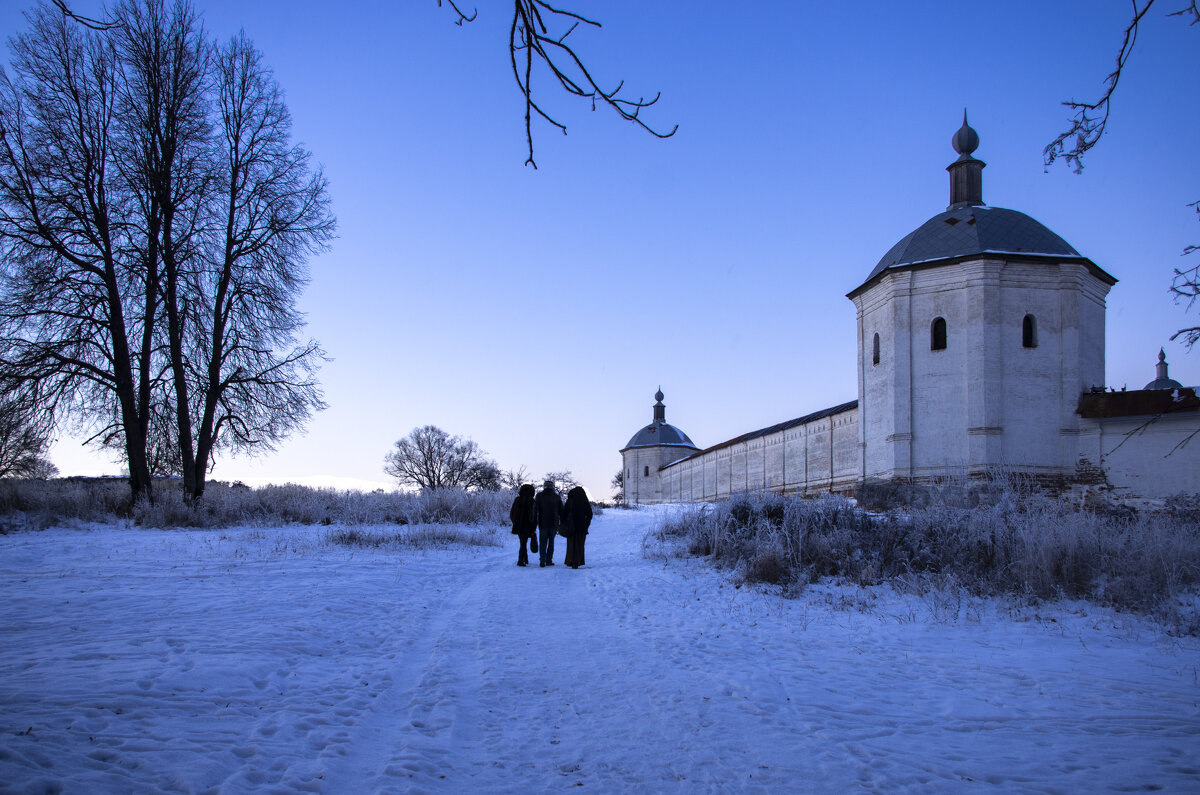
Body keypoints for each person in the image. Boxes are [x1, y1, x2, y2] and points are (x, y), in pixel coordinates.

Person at [560, 485, 593, 569]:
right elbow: (589, 514)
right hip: (581, 527)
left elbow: (564, 514)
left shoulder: (570, 500)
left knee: (571, 544)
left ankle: (570, 561)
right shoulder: (584, 501)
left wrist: (564, 523)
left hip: (571, 526)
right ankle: (577, 561)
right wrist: (586, 524)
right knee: (580, 545)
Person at [534, 480, 562, 567]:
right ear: (552, 487)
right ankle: (549, 560)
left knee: (542, 542)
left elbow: (535, 510)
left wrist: (535, 521)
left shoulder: (539, 496)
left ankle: (542, 559)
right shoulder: (557, 497)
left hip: (543, 523)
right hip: (554, 523)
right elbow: (561, 511)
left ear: (544, 486)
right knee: (551, 542)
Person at [509, 483, 537, 566]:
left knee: (522, 543)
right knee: (524, 543)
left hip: (519, 525)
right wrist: (534, 525)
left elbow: (512, 513)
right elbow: (535, 515)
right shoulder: (532, 501)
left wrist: (515, 522)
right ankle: (521, 560)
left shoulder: (517, 500)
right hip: (529, 526)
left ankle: (523, 558)